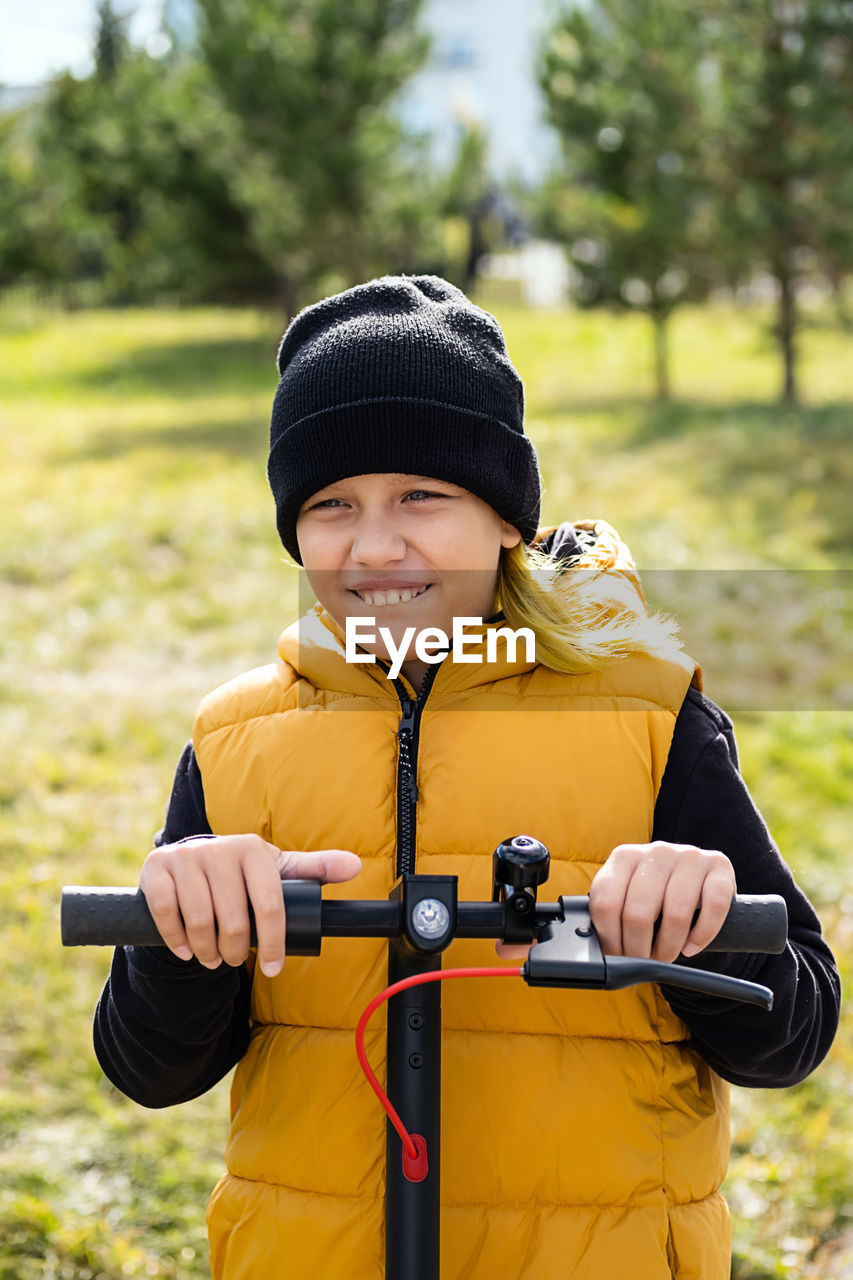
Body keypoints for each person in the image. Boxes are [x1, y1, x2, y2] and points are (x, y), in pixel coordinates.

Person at [93, 275, 839, 1280]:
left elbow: (789, 1035)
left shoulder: (648, 716)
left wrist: (698, 921)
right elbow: (149, 1067)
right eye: (330, 504)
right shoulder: (239, 741)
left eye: (422, 495)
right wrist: (183, 931)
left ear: (505, 519)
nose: (373, 545)